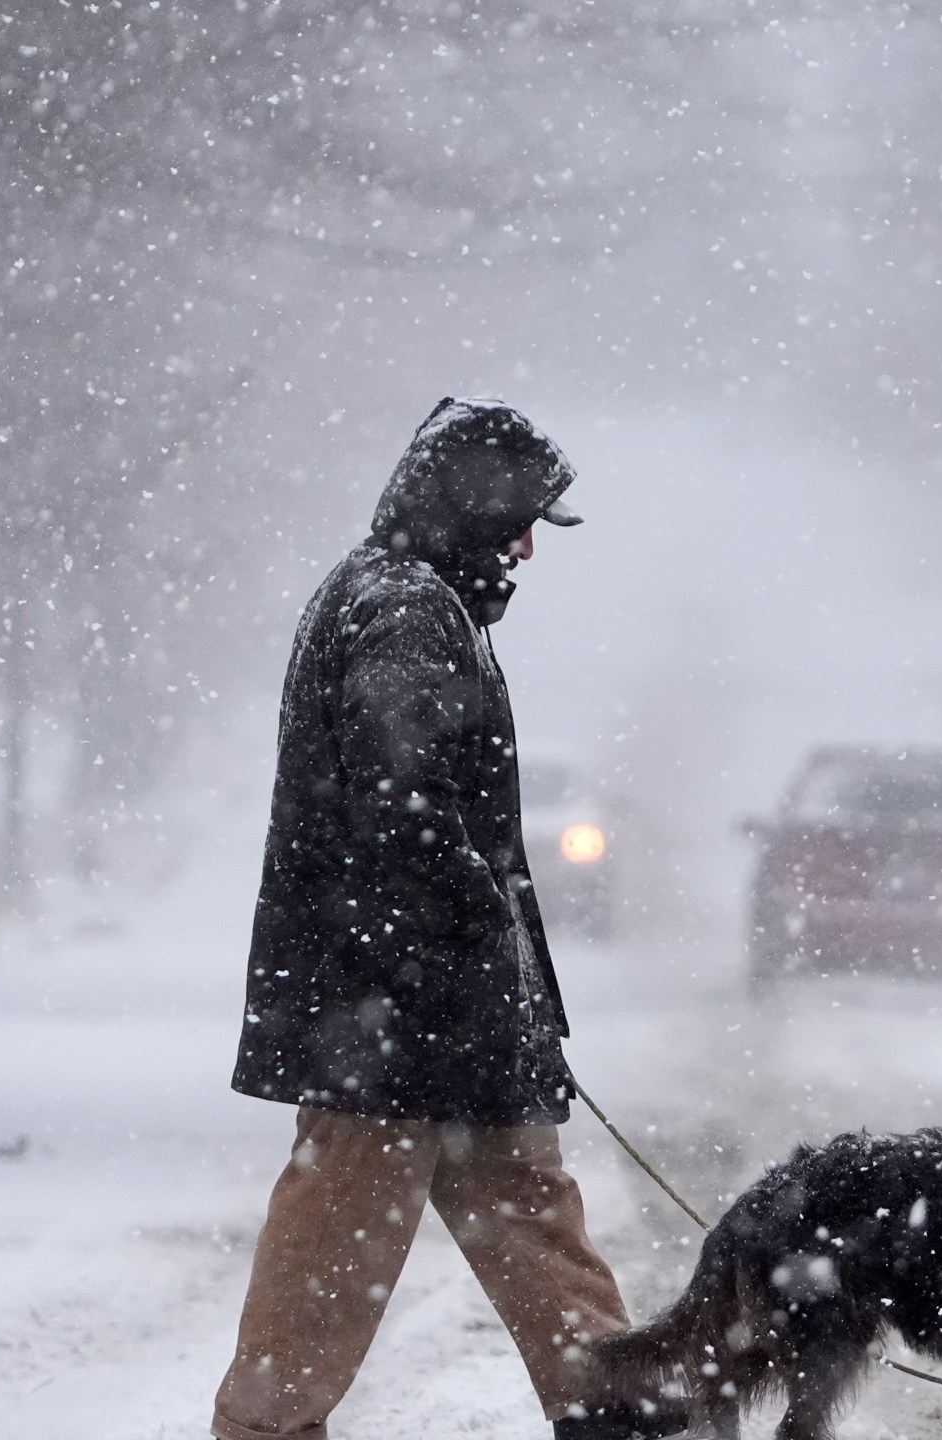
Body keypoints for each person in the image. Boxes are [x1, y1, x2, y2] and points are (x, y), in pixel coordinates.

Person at [214, 398, 683, 1440]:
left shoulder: (418, 599)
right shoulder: (400, 607)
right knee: (333, 1254)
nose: (524, 545)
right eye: (516, 519)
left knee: (531, 1220)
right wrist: (472, 933)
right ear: (464, 505)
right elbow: (404, 798)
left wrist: (495, 977)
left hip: (443, 1014)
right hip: (388, 1018)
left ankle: (615, 1416)